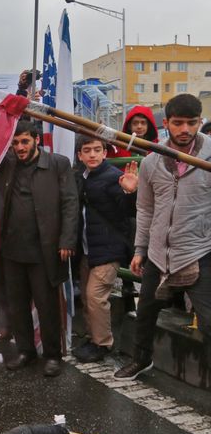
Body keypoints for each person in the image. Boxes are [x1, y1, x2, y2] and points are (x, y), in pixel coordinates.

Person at [115, 94, 211, 380]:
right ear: (166, 123)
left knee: (209, 320)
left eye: (191, 123)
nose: (185, 130)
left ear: (200, 122)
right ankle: (141, 359)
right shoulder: (151, 162)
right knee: (145, 312)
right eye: (178, 123)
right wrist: (139, 249)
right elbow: (145, 209)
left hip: (199, 250)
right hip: (158, 252)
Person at [0, 120, 78, 377]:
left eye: (25, 141)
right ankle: (25, 351)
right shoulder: (7, 164)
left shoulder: (58, 164)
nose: (20, 147)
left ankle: (52, 355)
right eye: (16, 142)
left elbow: (70, 203)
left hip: (45, 250)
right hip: (11, 249)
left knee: (46, 305)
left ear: (37, 140)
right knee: (17, 305)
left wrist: (67, 240)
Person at [73, 137, 138, 363]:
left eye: (97, 150)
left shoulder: (112, 177)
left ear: (105, 153)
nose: (92, 154)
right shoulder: (81, 177)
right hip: (87, 248)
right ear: (79, 155)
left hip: (109, 248)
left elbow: (128, 210)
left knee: (95, 295)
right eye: (87, 150)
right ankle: (93, 338)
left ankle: (102, 343)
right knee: (88, 296)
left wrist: (130, 192)